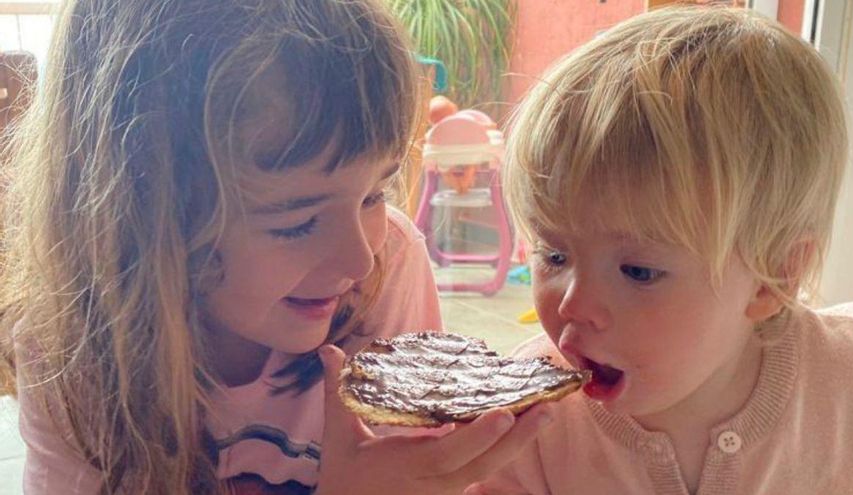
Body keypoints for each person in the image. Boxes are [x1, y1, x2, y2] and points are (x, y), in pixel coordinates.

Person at [0, 1, 551, 493]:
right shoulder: (65, 351)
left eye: (374, 194)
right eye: (295, 221)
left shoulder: (388, 266)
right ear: (135, 215)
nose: (358, 259)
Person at [469, 7, 853, 495]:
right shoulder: (530, 422)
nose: (571, 305)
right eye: (554, 255)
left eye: (638, 271)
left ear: (773, 276)